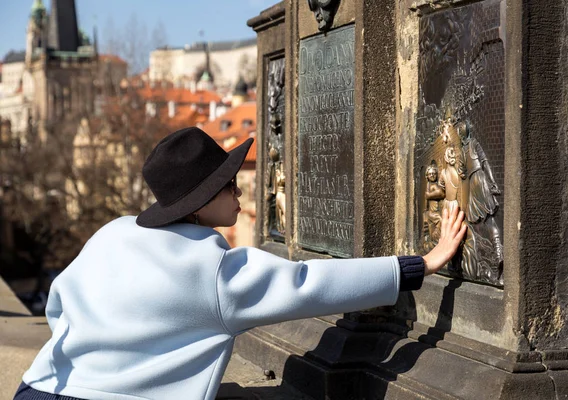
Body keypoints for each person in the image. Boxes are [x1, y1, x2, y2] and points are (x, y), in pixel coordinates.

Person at [14, 127, 466, 400]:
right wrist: (420, 265)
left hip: (37, 387)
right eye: (230, 185)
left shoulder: (111, 233)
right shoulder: (212, 271)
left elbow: (59, 308)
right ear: (201, 200)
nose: (241, 192)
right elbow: (311, 283)